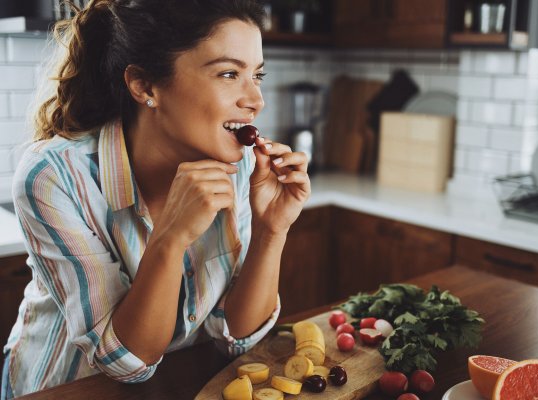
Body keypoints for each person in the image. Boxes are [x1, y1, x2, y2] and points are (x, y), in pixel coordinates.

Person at [1, 0, 310, 398]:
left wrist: (272, 230)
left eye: (257, 75)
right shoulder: (54, 176)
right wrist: (170, 238)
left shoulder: (239, 164)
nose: (256, 99)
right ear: (145, 86)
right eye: (230, 74)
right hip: (66, 388)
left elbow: (238, 336)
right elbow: (125, 363)